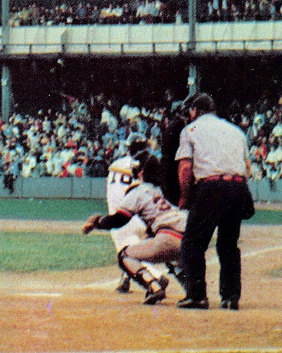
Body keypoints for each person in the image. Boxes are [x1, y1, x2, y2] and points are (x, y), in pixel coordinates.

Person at [175, 92, 253, 310]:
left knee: (192, 243)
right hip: (237, 185)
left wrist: (184, 196)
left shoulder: (190, 130)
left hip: (210, 186)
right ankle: (230, 297)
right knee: (228, 244)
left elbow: (185, 167)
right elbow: (247, 167)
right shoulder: (235, 131)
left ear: (194, 111)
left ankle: (197, 295)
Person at [82, 153, 186, 306]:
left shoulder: (138, 191)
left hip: (168, 237)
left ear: (141, 172)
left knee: (124, 255)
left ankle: (154, 286)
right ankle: (194, 292)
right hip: (188, 238)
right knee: (171, 258)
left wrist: (97, 221)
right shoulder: (163, 190)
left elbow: (118, 220)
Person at [104, 136, 167, 293]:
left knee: (127, 253)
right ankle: (125, 280)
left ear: (129, 148)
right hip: (141, 217)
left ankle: (157, 277)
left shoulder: (115, 165)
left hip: (121, 216)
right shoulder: (148, 164)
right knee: (133, 248)